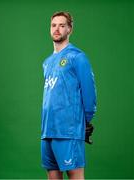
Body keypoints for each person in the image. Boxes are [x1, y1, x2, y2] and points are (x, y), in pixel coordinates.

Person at [41, 11, 97, 180]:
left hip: (68, 130)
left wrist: (85, 121)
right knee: (52, 176)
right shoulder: (47, 62)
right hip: (47, 131)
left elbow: (89, 91)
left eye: (62, 25)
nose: (57, 29)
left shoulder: (77, 57)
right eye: (53, 25)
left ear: (70, 29)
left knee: (75, 175)